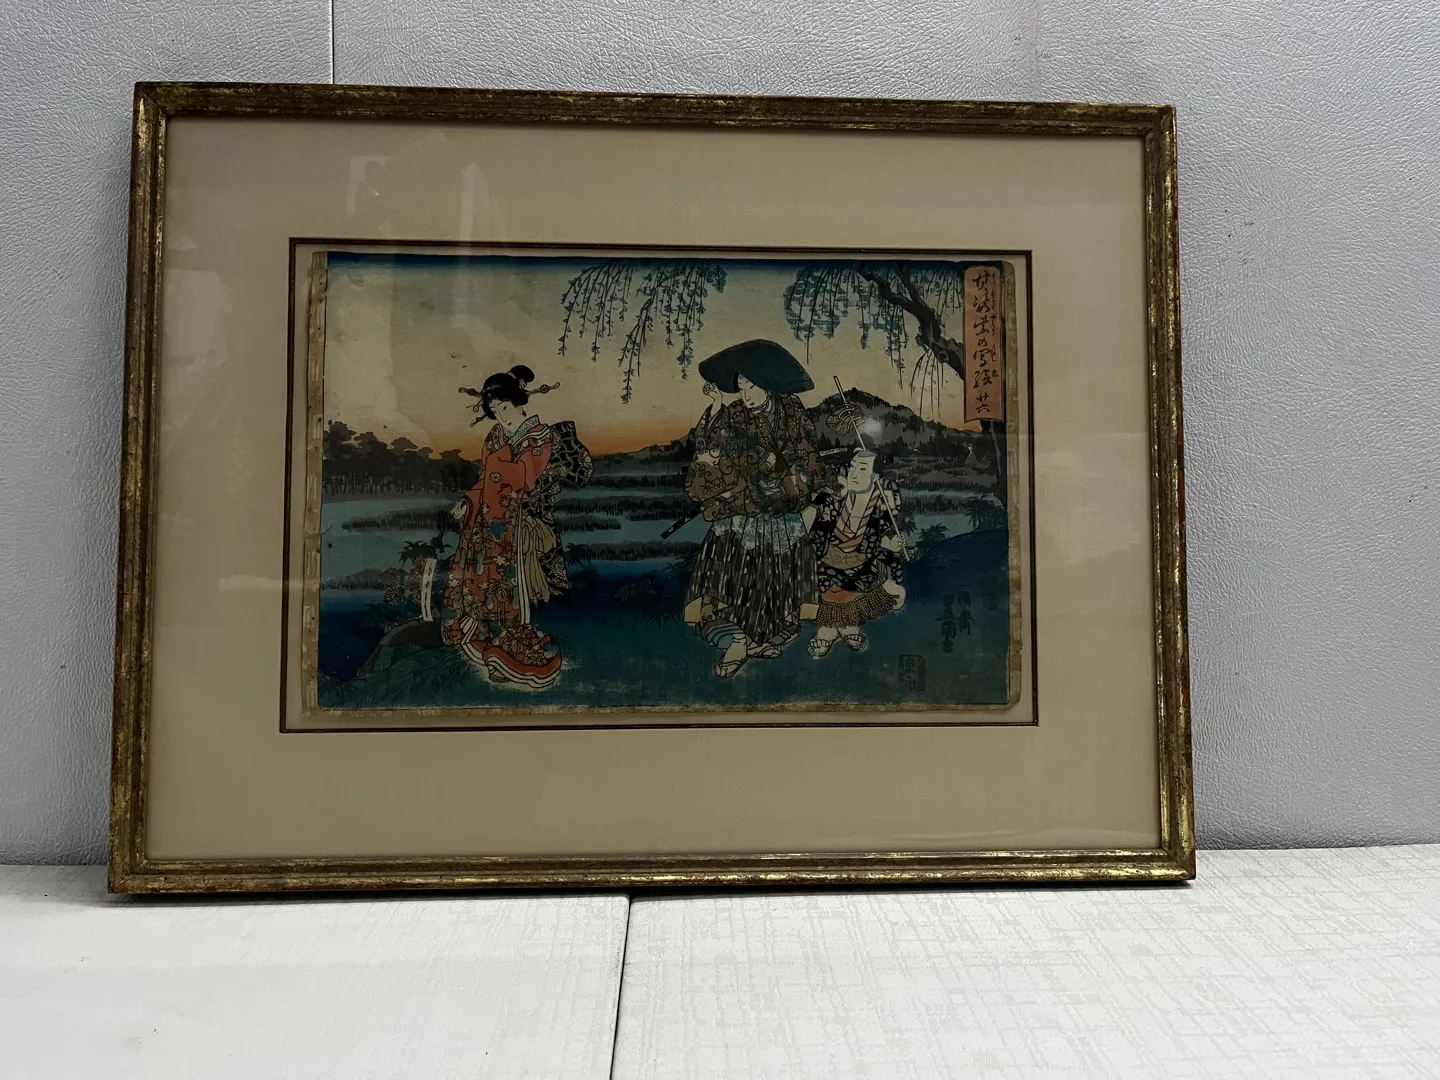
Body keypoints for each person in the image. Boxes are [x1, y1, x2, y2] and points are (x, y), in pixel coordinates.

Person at [442, 366, 592, 688]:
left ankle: (514, 646)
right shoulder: (495, 436)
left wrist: (499, 465)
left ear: (517, 401)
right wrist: (468, 500)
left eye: (504, 407)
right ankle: (489, 642)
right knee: (484, 578)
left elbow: (524, 477)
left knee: (515, 585)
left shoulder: (539, 436)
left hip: (522, 521)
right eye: (494, 411)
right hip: (489, 519)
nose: (500, 416)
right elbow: (485, 479)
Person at [683, 340, 826, 678]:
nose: (745, 394)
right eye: (741, 386)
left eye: (752, 385)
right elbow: (711, 452)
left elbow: (807, 453)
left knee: (775, 582)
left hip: (783, 511)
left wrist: (793, 479)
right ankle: (736, 641)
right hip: (743, 513)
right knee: (735, 579)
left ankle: (759, 640)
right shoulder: (733, 414)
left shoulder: (792, 410)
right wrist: (716, 408)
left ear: (767, 381)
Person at [803, 449, 907, 657]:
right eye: (852, 467)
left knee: (895, 595)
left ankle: (839, 627)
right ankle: (835, 628)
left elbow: (876, 538)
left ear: (875, 477)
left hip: (860, 566)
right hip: (826, 563)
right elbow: (807, 525)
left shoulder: (881, 502)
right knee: (825, 587)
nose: (854, 474)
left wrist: (891, 544)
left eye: (862, 469)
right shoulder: (832, 496)